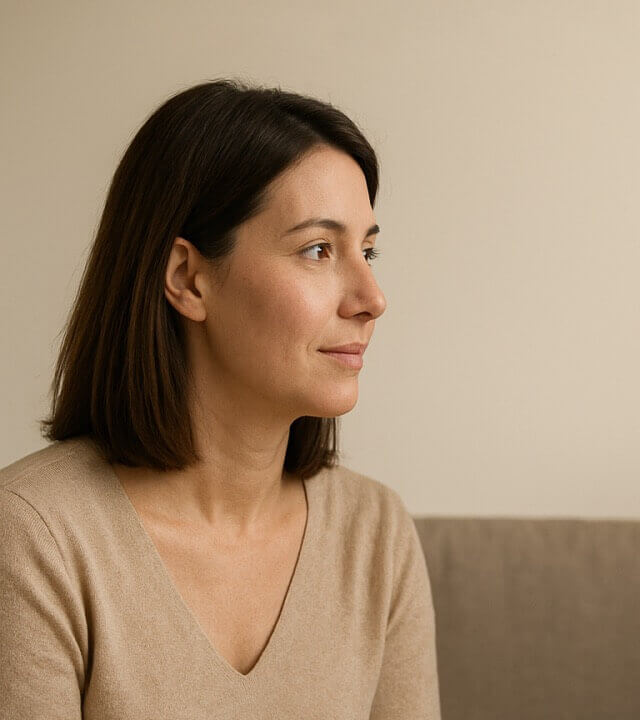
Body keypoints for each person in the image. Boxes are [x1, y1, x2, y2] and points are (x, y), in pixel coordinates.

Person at [0, 81, 440, 718]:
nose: (372, 298)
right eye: (318, 250)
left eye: (367, 250)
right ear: (187, 278)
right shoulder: (33, 538)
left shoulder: (376, 534)